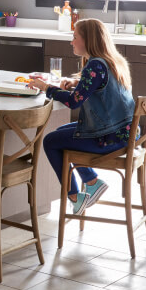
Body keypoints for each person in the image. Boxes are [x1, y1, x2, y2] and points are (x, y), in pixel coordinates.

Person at [28, 18, 135, 214]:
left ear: (88, 40)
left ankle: (77, 195)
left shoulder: (95, 66)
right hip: (125, 133)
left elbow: (74, 102)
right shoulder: (111, 61)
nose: (72, 42)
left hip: (111, 138)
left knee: (51, 141)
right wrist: (76, 83)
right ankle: (92, 182)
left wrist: (47, 88)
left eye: (75, 37)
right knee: (63, 133)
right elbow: (99, 87)